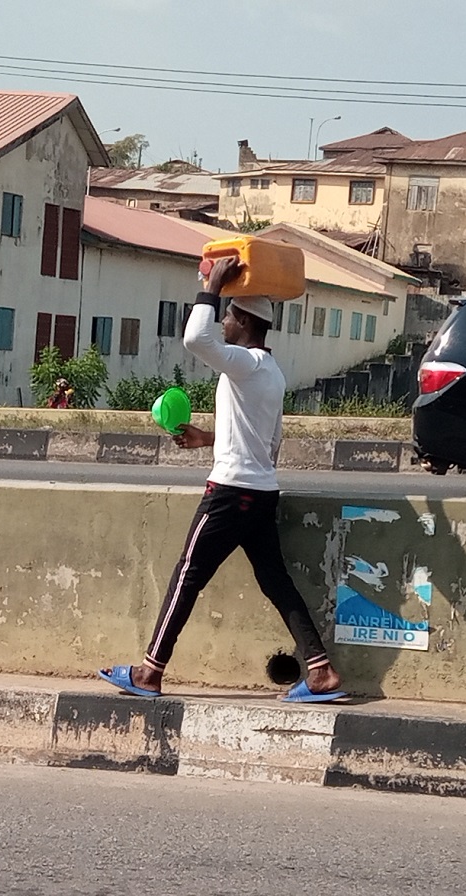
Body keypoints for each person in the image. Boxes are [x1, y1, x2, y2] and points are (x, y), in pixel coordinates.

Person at [97, 254, 343, 703]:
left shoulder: (244, 364)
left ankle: (150, 672)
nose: (224, 322)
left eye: (229, 315)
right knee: (275, 581)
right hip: (261, 493)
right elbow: (265, 445)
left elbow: (195, 338)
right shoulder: (272, 372)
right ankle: (320, 670)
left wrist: (211, 285)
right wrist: (208, 437)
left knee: (187, 576)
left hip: (229, 494)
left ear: (245, 322)